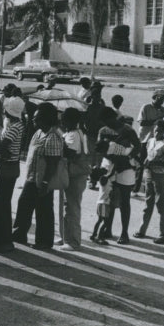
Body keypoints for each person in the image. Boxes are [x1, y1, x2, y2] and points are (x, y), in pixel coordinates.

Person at [12, 102, 64, 250]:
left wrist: (45, 182)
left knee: (44, 210)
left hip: (42, 179)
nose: (33, 120)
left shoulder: (53, 136)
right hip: (31, 177)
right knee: (24, 205)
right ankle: (19, 234)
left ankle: (44, 242)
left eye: (37, 118)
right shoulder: (38, 133)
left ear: (45, 119)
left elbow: (53, 162)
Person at [0, 95, 25, 253]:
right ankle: (1, 239)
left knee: (0, 204)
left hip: (8, 167)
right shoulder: (15, 124)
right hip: (9, 166)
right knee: (2, 203)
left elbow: (1, 146)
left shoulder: (14, 127)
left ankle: (2, 240)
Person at [97, 113, 139, 244]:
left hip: (125, 168)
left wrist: (127, 157)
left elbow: (138, 147)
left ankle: (124, 233)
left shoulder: (129, 131)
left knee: (124, 201)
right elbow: (100, 149)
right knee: (108, 199)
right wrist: (113, 159)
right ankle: (107, 229)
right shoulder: (104, 130)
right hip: (110, 166)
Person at [134, 119, 164, 244]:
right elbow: (148, 156)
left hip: (160, 176)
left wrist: (155, 163)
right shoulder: (151, 141)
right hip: (149, 175)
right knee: (148, 204)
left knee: (161, 206)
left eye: (159, 131)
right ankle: (142, 230)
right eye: (155, 130)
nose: (156, 133)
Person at [57, 107, 89, 251]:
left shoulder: (73, 135)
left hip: (75, 175)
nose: (62, 123)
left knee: (72, 208)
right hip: (74, 175)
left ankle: (73, 241)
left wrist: (60, 140)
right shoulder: (77, 132)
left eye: (64, 120)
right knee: (68, 206)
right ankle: (65, 237)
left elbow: (70, 153)